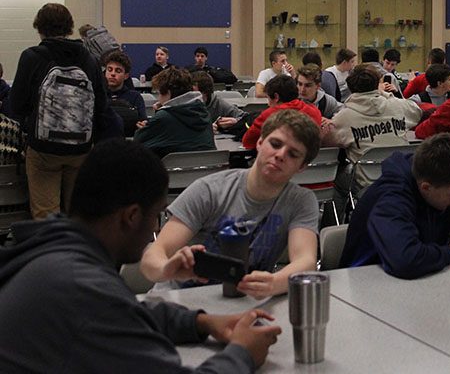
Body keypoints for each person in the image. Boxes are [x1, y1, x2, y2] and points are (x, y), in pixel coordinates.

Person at [0, 138, 280, 373]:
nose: (155, 231)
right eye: (155, 216)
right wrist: (242, 353)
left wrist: (199, 322)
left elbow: (121, 312)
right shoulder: (79, 284)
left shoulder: (55, 244)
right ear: (132, 216)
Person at [141, 110, 320, 299]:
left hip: (242, 302)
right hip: (180, 300)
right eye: (275, 144)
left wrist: (274, 283)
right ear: (259, 143)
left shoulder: (301, 201)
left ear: (302, 167)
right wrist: (166, 269)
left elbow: (306, 261)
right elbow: (153, 255)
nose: (280, 155)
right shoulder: (209, 190)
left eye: (293, 154)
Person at [339, 133, 450, 279]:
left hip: (425, 284)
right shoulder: (391, 199)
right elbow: (404, 260)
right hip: (366, 286)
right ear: (426, 187)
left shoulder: (447, 189)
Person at [9, 3, 107, 219]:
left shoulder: (32, 57)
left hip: (44, 148)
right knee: (79, 214)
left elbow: (15, 105)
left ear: (39, 27)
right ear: (70, 27)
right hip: (81, 147)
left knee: (46, 215)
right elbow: (101, 105)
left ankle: (52, 249)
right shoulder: (88, 59)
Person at [330, 64, 423, 216]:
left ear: (351, 87)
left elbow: (330, 141)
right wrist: (386, 95)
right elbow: (417, 112)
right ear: (376, 84)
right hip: (402, 179)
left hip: (367, 184)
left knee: (336, 182)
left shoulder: (344, 117)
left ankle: (338, 223)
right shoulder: (398, 106)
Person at [134, 67, 214, 157]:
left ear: (168, 93)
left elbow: (137, 143)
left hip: (172, 169)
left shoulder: (164, 117)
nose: (158, 98)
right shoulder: (204, 113)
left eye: (159, 93)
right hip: (208, 169)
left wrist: (149, 126)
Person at [242, 75, 321, 149]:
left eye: (268, 98)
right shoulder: (314, 111)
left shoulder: (270, 115)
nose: (268, 103)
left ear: (276, 97)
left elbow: (247, 142)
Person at [103, 49, 148, 136]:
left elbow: (143, 120)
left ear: (126, 76)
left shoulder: (135, 97)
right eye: (109, 69)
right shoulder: (98, 95)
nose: (112, 74)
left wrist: (143, 124)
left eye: (118, 71)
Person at [191, 71, 249, 135]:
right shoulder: (185, 104)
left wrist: (236, 121)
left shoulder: (218, 103)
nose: (195, 98)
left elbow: (247, 118)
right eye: (192, 94)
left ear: (207, 93)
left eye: (198, 94)